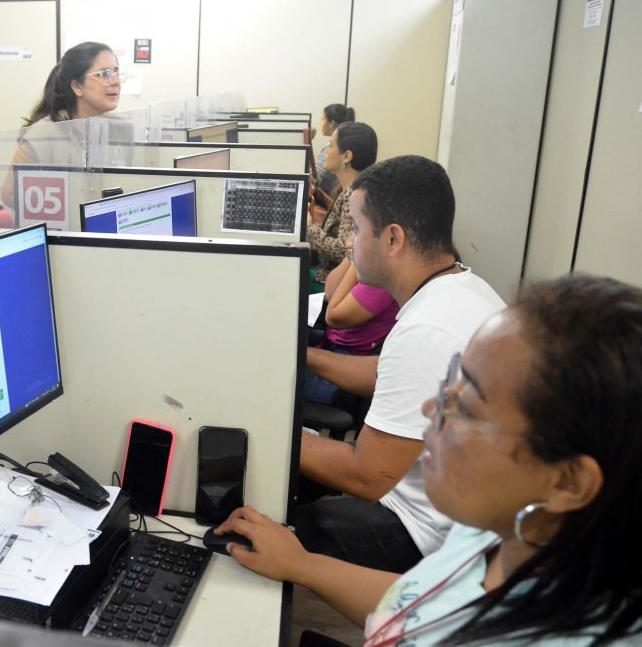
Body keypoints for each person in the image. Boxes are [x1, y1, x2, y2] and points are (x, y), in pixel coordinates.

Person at [218, 274, 642, 646]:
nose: (429, 410)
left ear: (568, 482)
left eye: (469, 407)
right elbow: (426, 597)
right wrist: (303, 566)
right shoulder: (506, 534)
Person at [299, 155, 505, 573]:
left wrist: (266, 430)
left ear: (393, 239)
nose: (351, 244)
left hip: (422, 533)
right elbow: (386, 373)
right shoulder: (460, 286)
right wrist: (304, 357)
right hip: (454, 511)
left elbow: (367, 475)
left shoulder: (428, 329)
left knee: (277, 522)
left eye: (357, 229)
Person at [3, 41, 124, 207]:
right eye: (104, 74)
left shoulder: (118, 128)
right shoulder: (43, 135)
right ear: (77, 87)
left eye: (116, 72)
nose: (116, 81)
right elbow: (10, 195)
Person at [305, 255, 398, 406]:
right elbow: (330, 292)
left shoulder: (381, 274)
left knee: (271, 368)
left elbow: (334, 317)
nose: (348, 242)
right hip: (332, 345)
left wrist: (357, 255)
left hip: (345, 373)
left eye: (357, 231)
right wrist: (352, 255)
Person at [306, 121, 376, 284]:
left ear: (346, 156)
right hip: (331, 276)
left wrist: (309, 229)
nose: (326, 152)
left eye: (330, 146)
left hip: (330, 280)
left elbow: (344, 250)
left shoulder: (354, 196)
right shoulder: (350, 188)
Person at [309, 103, 355, 198]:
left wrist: (307, 141)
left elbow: (314, 177)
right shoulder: (347, 141)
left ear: (332, 123)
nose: (321, 123)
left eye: (323, 119)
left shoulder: (334, 146)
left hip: (330, 196)